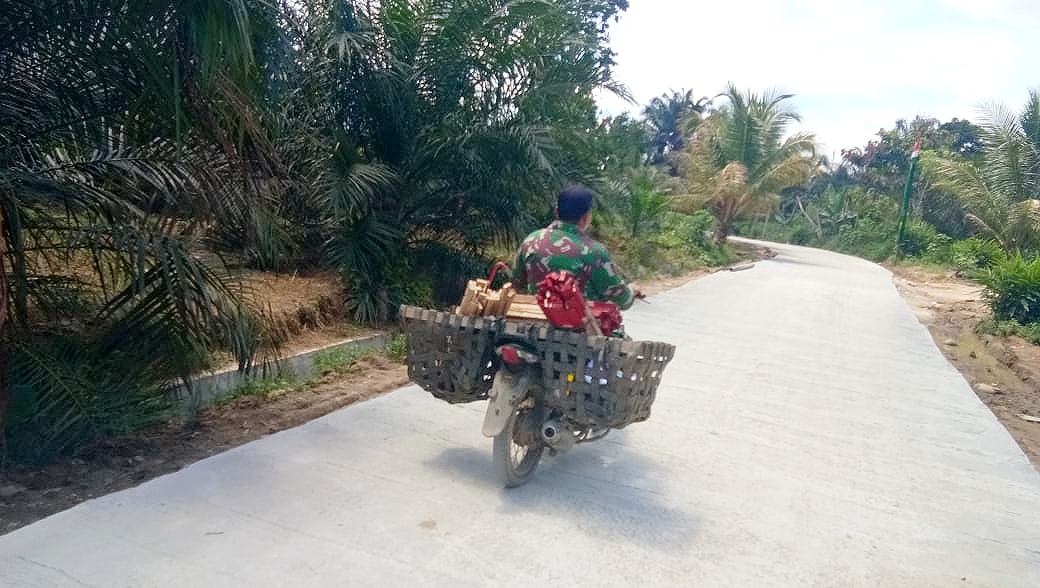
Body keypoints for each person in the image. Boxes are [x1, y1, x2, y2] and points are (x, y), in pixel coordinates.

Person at [511, 185, 641, 310]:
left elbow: (516, 283)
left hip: (534, 317)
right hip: (581, 322)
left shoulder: (531, 240)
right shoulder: (595, 252)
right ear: (586, 217)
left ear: (556, 212)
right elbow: (621, 299)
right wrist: (632, 290)